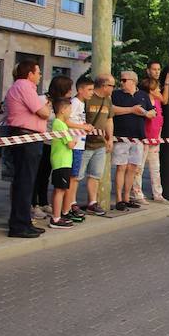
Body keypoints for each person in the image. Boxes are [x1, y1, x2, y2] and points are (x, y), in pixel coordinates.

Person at [4, 59, 51, 238]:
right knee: (24, 182)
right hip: (26, 138)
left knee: (26, 182)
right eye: (38, 72)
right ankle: (19, 225)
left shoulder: (23, 87)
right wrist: (45, 107)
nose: (39, 76)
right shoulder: (24, 86)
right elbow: (44, 113)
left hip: (28, 137)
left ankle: (23, 221)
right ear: (30, 74)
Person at [111, 71, 155, 211]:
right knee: (121, 167)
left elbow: (152, 112)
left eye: (124, 80)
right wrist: (131, 110)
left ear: (133, 81)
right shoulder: (116, 94)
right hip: (121, 136)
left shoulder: (143, 95)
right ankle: (118, 199)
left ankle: (127, 197)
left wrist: (146, 113)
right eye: (121, 80)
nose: (122, 83)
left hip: (138, 137)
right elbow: (111, 110)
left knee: (132, 168)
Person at [33, 75, 73, 217]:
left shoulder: (62, 104)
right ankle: (34, 204)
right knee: (38, 174)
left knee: (46, 175)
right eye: (68, 88)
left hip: (54, 144)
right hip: (42, 141)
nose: (70, 92)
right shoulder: (43, 100)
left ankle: (44, 202)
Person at [76, 75, 114, 216]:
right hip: (84, 143)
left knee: (95, 175)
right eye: (112, 85)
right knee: (77, 176)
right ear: (104, 86)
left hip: (100, 144)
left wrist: (109, 139)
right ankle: (71, 203)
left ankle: (92, 202)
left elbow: (109, 120)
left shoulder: (108, 100)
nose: (113, 88)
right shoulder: (87, 98)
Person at [65, 76, 96, 214]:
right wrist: (83, 126)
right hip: (74, 144)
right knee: (72, 177)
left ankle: (70, 202)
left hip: (79, 144)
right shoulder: (75, 102)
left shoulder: (82, 104)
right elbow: (65, 121)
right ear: (80, 89)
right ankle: (70, 203)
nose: (91, 92)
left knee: (74, 176)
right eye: (89, 89)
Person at [48, 98, 77, 229]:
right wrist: (75, 140)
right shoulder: (60, 124)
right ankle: (56, 218)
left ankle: (56, 214)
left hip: (61, 161)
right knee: (60, 190)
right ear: (63, 110)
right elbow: (70, 144)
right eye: (69, 109)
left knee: (59, 189)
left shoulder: (59, 123)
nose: (70, 112)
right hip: (62, 161)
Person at [138, 76, 166, 202]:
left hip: (155, 139)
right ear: (150, 90)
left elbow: (159, 120)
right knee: (139, 167)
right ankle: (138, 194)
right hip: (143, 139)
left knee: (156, 168)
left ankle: (158, 193)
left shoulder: (158, 103)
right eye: (157, 88)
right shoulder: (142, 103)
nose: (159, 90)